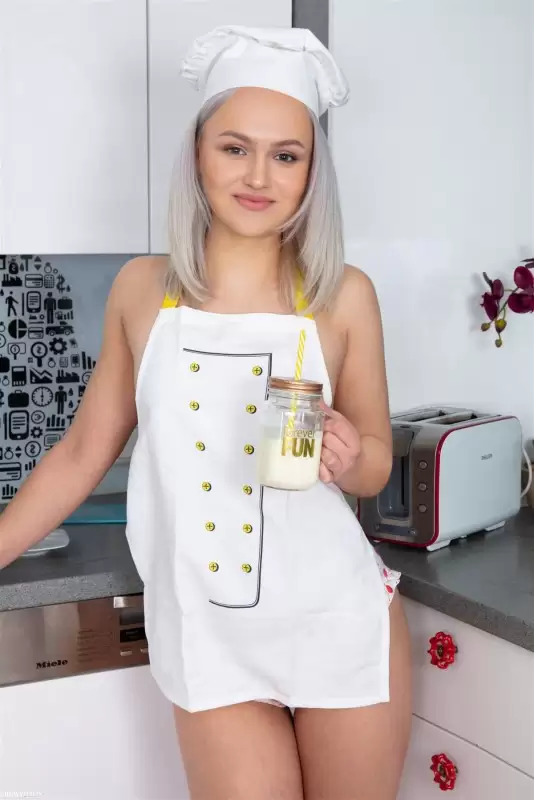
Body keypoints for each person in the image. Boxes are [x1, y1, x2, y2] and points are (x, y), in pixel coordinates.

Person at [0, 26, 411, 800]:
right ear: (197, 153)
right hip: (207, 632)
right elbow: (82, 455)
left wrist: (351, 454)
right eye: (234, 148)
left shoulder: (343, 294)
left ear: (311, 173)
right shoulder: (141, 290)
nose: (258, 175)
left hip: (335, 618)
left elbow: (377, 464)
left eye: (286, 155)